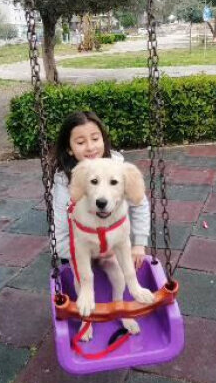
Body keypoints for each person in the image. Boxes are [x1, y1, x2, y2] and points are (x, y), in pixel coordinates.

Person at [51, 110, 150, 270]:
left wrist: (139, 243)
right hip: (76, 251)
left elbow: (139, 204)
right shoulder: (64, 184)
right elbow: (59, 231)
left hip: (113, 247)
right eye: (81, 142)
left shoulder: (118, 170)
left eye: (95, 139)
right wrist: (73, 255)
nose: (90, 147)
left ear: (103, 140)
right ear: (69, 148)